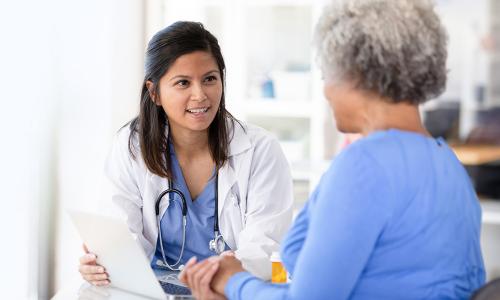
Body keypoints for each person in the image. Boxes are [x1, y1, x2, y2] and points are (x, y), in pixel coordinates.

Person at [179, 0, 486, 299]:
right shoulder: (448, 164)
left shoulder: (366, 165)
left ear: (360, 73)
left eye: (327, 75)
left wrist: (234, 282)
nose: (326, 91)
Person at [78, 21, 293, 287]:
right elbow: (119, 240)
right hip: (149, 292)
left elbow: (266, 246)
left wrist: (214, 280)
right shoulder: (130, 147)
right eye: (183, 83)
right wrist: (102, 265)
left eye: (210, 79)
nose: (200, 95)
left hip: (229, 290)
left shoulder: (261, 150)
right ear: (154, 92)